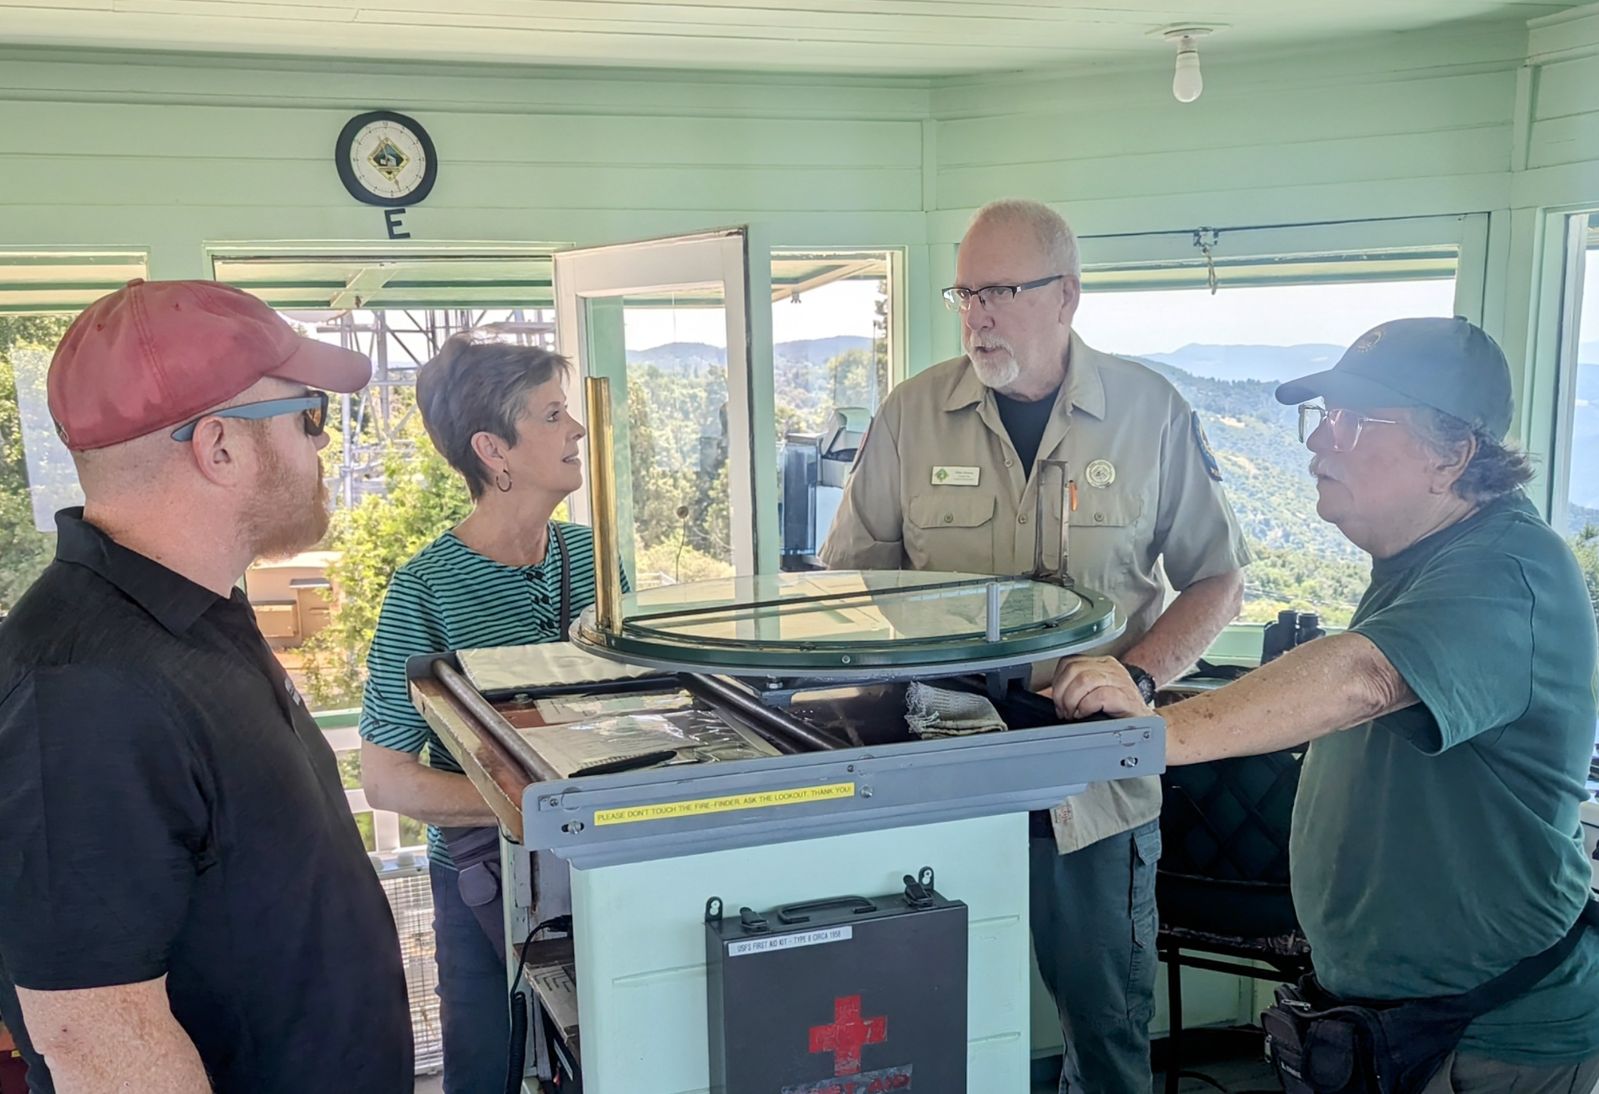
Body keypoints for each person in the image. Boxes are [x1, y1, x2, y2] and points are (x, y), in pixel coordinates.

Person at [1054, 317, 1599, 1093]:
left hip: (1489, 1036)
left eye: (1354, 421)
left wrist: (1154, 731)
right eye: (1322, 416)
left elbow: (1362, 678)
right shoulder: (1417, 561)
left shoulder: (1507, 569)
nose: (1316, 443)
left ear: (1452, 453)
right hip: (1396, 1021)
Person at [820, 198, 1251, 1094]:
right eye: (965, 293)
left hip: (1090, 772)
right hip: (938, 769)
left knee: (1105, 1024)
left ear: (1066, 296)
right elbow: (848, 586)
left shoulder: (1149, 411)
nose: (976, 315)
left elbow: (1216, 580)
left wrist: (1136, 677)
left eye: (1001, 292)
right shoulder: (910, 415)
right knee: (920, 1020)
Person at [0, 279, 412, 1093]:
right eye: (308, 417)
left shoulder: (193, 617)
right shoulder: (80, 694)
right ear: (219, 448)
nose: (323, 444)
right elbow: (99, 1049)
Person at [359, 333, 621, 1094]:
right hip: (484, 888)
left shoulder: (599, 559)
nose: (577, 430)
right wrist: (543, 809)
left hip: (603, 873)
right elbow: (387, 780)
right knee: (489, 1073)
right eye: (552, 414)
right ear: (492, 449)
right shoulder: (425, 591)